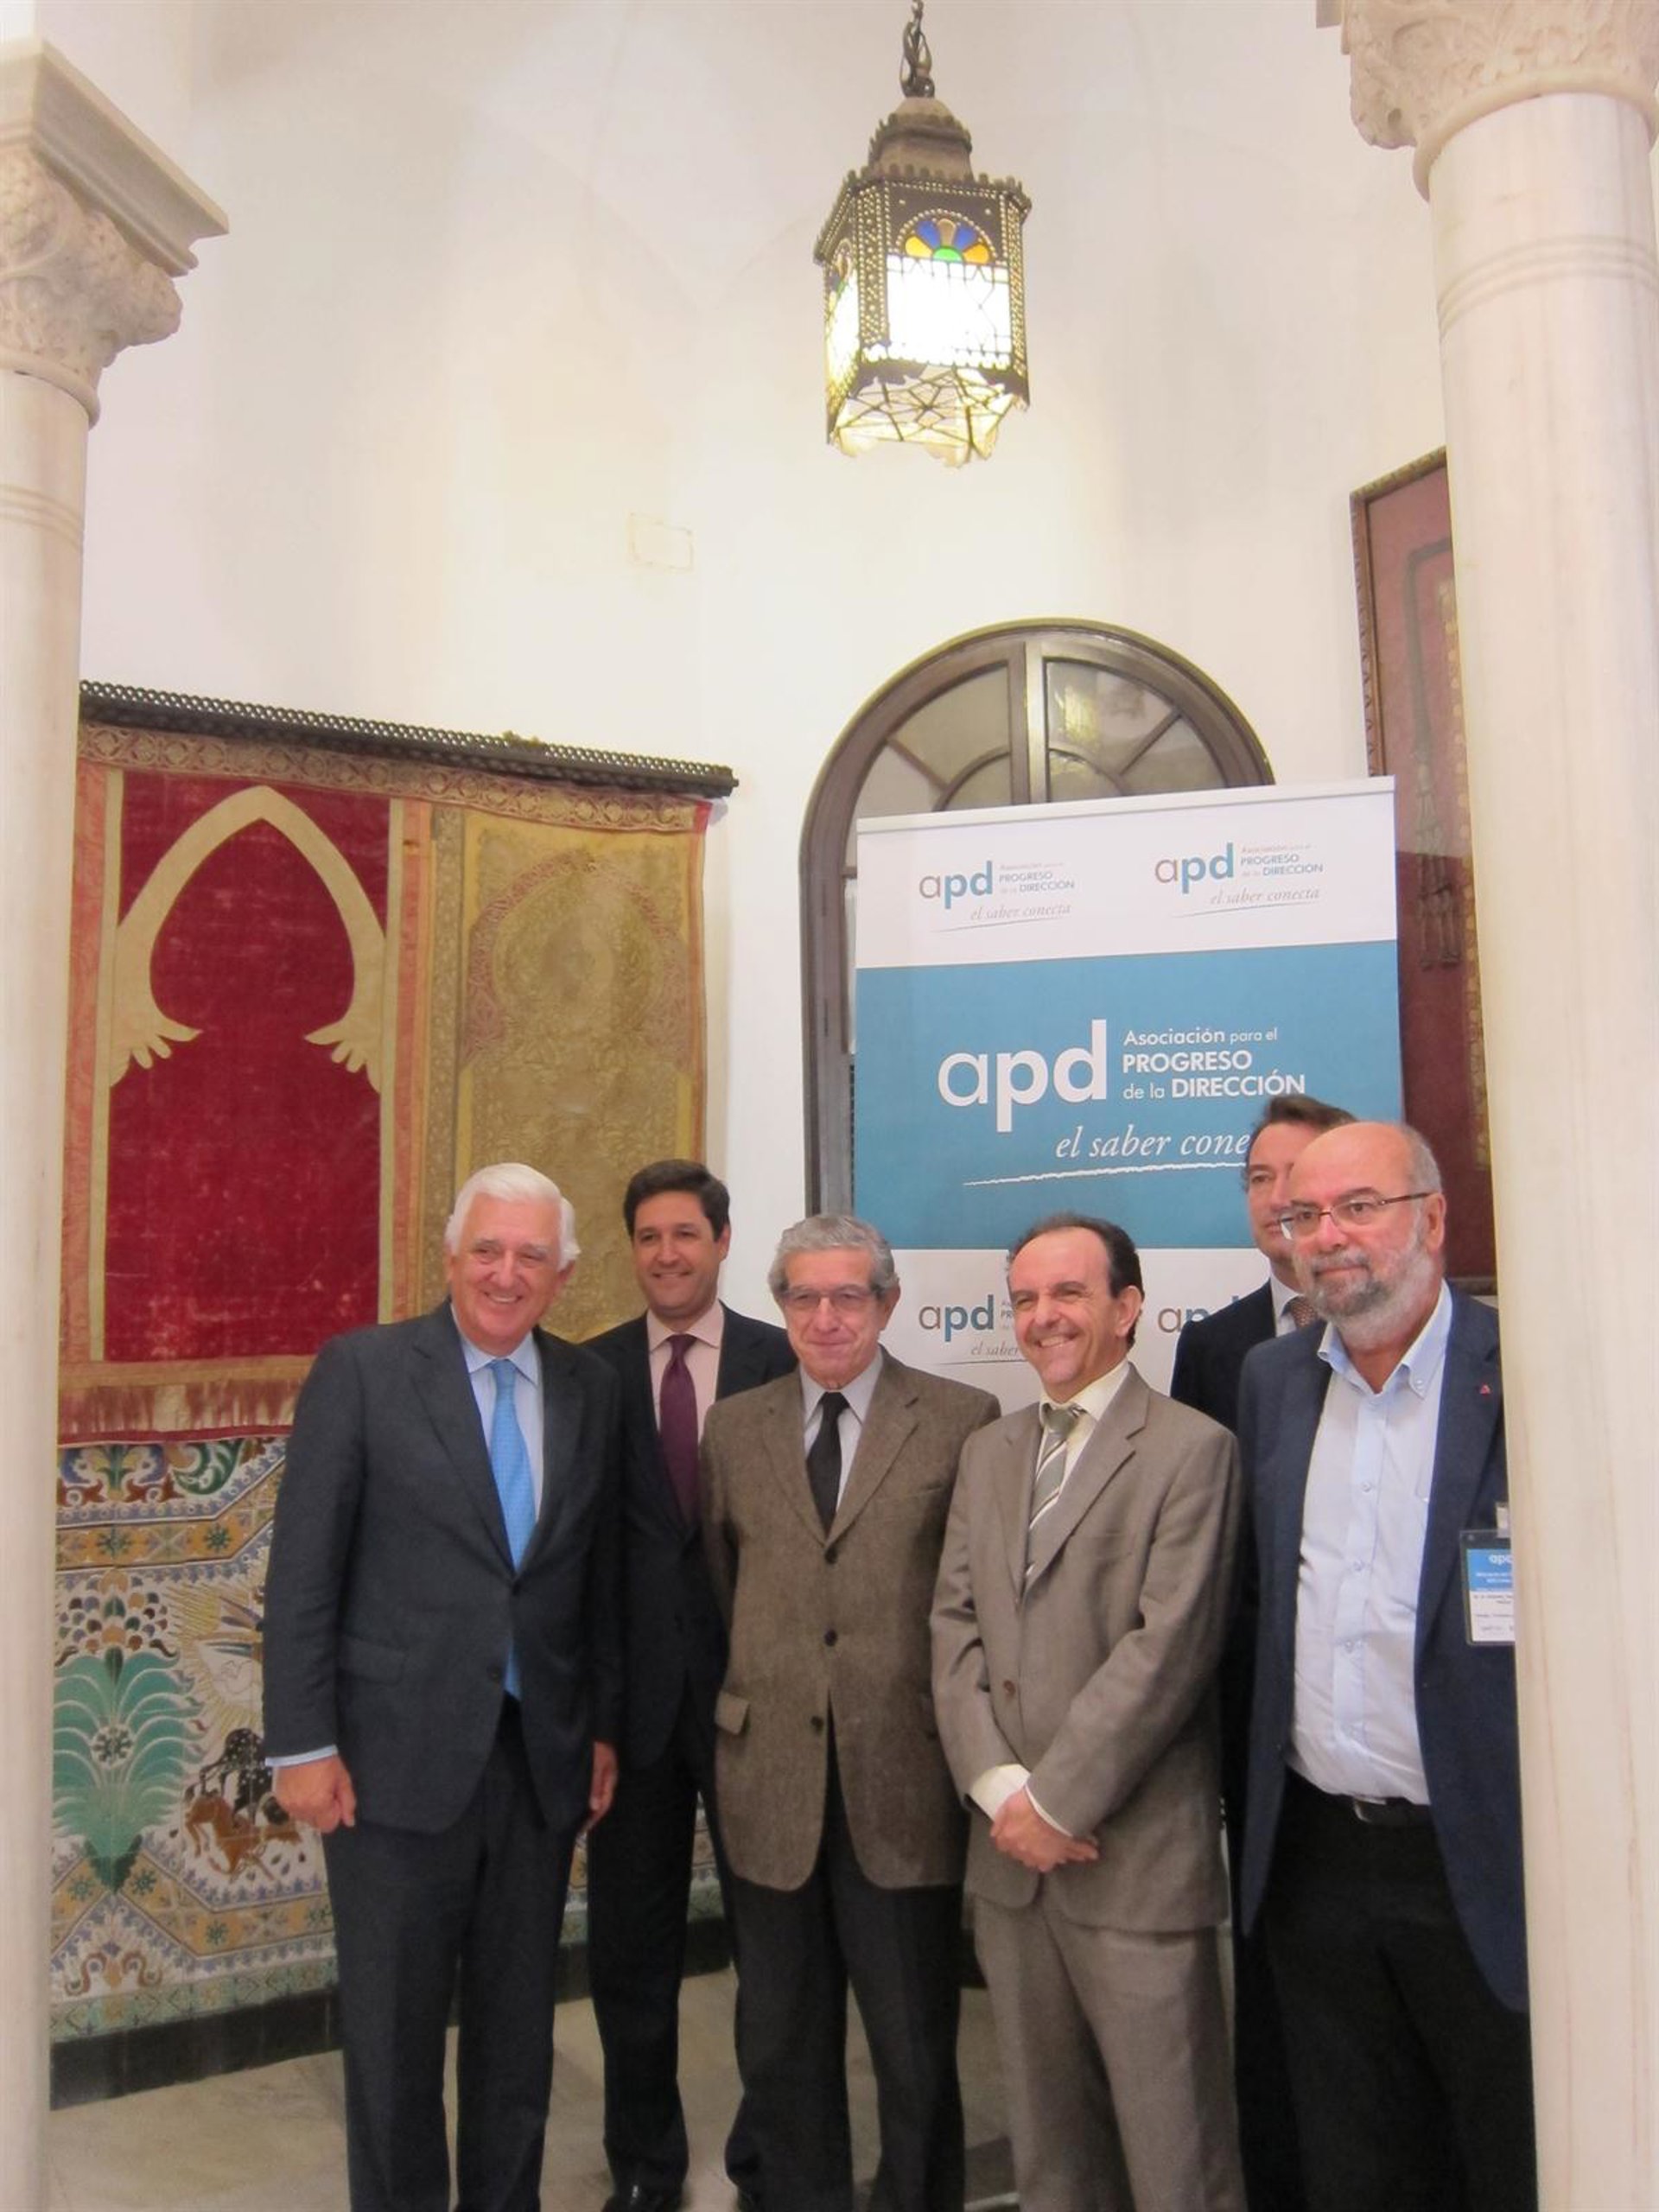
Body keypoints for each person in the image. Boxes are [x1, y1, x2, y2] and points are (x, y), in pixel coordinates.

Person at [262, 1162, 622, 2212]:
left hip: (536, 1763)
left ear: (563, 1274)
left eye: (532, 1256)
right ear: (451, 1255)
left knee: (518, 2039)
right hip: (388, 1766)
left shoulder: (592, 1389)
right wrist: (303, 1744)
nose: (507, 1273)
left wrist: (596, 1726)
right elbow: (304, 1572)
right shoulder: (364, 1371)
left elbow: (596, 1575)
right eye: (488, 1250)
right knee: (393, 2042)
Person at [1236, 1121, 1535, 2212]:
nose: (1328, 1236)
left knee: (1508, 2159)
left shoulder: (1524, 1371)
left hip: (1479, 1859)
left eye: (1359, 1207)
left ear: (1434, 1217)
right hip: (1317, 1860)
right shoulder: (1274, 1379)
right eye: (1304, 1215)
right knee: (1354, 2167)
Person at [931, 1212, 1244, 2212]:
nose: (1043, 1316)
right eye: (1025, 1298)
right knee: (1053, 2166)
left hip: (1133, 1867)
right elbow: (953, 1624)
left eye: (1068, 1292)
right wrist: (1000, 1791)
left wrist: (1056, 1803)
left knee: (1176, 2162)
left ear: (1128, 1305)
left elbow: (1169, 1649)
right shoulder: (989, 1451)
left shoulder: (1193, 1449)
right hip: (1013, 1872)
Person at [701, 1215, 999, 2212]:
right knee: (781, 2041)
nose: (825, 1317)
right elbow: (724, 1584)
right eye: (804, 1296)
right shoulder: (734, 1428)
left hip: (903, 1779)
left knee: (914, 2049)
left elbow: (974, 1600)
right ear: (780, 1304)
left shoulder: (961, 1418)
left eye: (848, 1296)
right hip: (769, 1778)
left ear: (888, 1302)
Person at [584, 1160, 795, 2212]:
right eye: (649, 1236)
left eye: (685, 1233)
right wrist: (589, 1717)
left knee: (773, 1949)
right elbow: (576, 1560)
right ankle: (644, 2164)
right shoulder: (587, 1373)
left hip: (758, 1706)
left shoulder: (781, 1359)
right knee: (631, 1956)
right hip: (632, 1716)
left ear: (722, 1241)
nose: (666, 1253)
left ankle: (768, 2158)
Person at [1168, 1092, 1351, 2212]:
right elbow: (1201, 1544)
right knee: (1273, 1967)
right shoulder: (1215, 1344)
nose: (1277, 1197)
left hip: (1380, 1733)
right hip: (1254, 1718)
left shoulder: (1399, 1327)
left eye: (1297, 1174)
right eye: (1257, 1179)